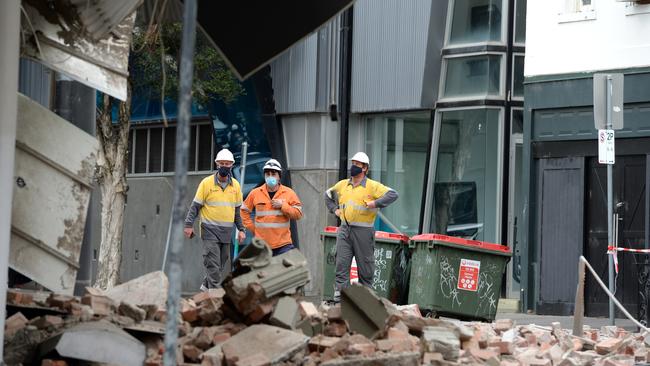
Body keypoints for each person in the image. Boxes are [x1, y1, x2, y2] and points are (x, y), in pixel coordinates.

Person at [323, 152, 398, 303]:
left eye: (357, 164)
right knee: (341, 263)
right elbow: (327, 194)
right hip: (345, 230)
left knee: (365, 267)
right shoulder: (343, 184)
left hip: (363, 232)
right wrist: (334, 210)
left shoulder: (372, 186)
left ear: (365, 168)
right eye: (353, 163)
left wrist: (375, 203)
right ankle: (340, 296)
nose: (353, 167)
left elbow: (393, 194)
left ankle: (365, 299)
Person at [184, 148, 246, 291]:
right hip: (209, 230)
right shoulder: (206, 183)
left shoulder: (235, 186)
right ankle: (214, 298)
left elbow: (237, 211)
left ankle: (205, 290)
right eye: (222, 163)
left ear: (231, 165)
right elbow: (195, 207)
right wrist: (188, 225)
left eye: (227, 163)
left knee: (221, 262)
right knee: (213, 264)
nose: (224, 166)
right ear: (217, 164)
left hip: (226, 233)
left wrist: (241, 229)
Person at [241, 159, 303, 256]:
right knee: (263, 271)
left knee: (285, 271)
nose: (270, 177)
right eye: (267, 174)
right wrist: (253, 229)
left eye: (273, 174)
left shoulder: (289, 193)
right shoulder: (255, 193)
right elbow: (244, 211)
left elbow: (298, 214)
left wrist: (283, 206)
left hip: (283, 245)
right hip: (262, 245)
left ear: (279, 176)